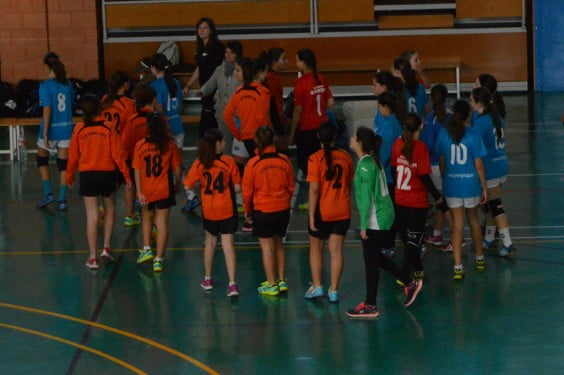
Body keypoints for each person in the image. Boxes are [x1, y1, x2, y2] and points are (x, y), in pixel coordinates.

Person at [346, 127, 422, 318]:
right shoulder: (373, 162)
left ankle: (370, 305)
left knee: (370, 263)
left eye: (354, 137)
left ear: (360, 143)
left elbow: (365, 201)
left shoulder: (364, 166)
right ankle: (409, 282)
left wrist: (363, 226)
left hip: (375, 220)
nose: (351, 138)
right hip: (385, 216)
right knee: (376, 258)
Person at [66, 95, 131, 270]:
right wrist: (127, 176)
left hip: (88, 175)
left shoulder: (79, 128)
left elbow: (72, 156)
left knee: (92, 215)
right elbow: (118, 155)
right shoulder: (108, 128)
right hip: (107, 173)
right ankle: (106, 247)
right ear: (99, 110)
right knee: (110, 209)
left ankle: (93, 257)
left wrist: (69, 176)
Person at [434, 100, 488, 280]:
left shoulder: (443, 134)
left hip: (452, 186)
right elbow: (479, 165)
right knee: (473, 220)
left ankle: (458, 267)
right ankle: (479, 258)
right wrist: (484, 187)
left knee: (457, 225)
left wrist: (445, 178)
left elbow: (441, 161)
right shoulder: (474, 135)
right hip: (471, 185)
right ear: (468, 115)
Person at [184, 129, 241, 297]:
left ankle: (207, 279)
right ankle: (232, 284)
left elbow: (188, 184)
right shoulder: (229, 161)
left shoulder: (200, 163)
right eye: (223, 140)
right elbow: (238, 187)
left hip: (209, 210)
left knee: (209, 243)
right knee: (228, 245)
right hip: (227, 208)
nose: (224, 143)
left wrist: (198, 190)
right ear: (218, 143)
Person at [391, 113, 446, 281]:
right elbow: (424, 177)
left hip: (400, 200)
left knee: (408, 238)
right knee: (414, 240)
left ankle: (418, 268)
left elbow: (394, 170)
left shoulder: (397, 144)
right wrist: (437, 196)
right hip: (416, 202)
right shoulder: (421, 148)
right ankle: (405, 274)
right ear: (420, 126)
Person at [242, 126, 295, 296]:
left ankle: (271, 284)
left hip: (263, 210)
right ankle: (281, 280)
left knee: (266, 247)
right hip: (282, 209)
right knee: (279, 243)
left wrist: (247, 211)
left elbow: (247, 191)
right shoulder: (285, 160)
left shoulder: (253, 163)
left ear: (257, 142)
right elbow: (291, 186)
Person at [304, 122, 353, 302]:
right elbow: (348, 182)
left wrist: (311, 216)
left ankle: (317, 286)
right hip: (342, 209)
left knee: (316, 248)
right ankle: (334, 290)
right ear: (335, 137)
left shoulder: (315, 159)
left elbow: (314, 189)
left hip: (322, 210)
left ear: (318, 137)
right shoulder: (346, 157)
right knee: (336, 250)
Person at [133, 112, 182, 273]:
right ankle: (158, 259)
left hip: (147, 190)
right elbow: (177, 169)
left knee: (146, 217)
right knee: (162, 223)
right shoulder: (169, 145)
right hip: (164, 189)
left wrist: (139, 192)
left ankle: (147, 248)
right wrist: (177, 183)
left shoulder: (140, 145)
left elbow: (137, 171)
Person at [470, 87, 515, 257]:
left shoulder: (481, 123)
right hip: (501, 164)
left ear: (478, 103)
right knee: (489, 205)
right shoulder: (496, 117)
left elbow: (475, 148)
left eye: (471, 99)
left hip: (490, 169)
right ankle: (489, 239)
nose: (470, 102)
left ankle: (508, 243)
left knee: (495, 206)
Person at [36, 52, 74, 211]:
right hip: (66, 128)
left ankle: (48, 194)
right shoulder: (68, 84)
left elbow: (47, 110)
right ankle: (62, 199)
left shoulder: (45, 86)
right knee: (63, 165)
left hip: (50, 129)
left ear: (47, 66)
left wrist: (45, 133)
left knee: (41, 160)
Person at [420, 84, 455, 250]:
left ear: (431, 98)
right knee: (443, 199)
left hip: (435, 165)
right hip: (451, 163)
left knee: (442, 202)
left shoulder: (431, 118)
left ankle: (458, 236)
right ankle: (437, 234)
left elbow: (428, 144)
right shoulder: (451, 115)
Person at [289, 48, 334, 177]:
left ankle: (314, 190)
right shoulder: (320, 78)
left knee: (307, 164)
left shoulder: (300, 83)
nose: (296, 64)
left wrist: (292, 133)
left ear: (303, 62)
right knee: (324, 161)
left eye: (297, 61)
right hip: (323, 128)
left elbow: (298, 110)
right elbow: (331, 102)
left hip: (307, 130)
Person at [196, 40, 244, 157]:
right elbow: (210, 84)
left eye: (232, 53)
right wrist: (202, 91)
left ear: (238, 54)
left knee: (241, 150)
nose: (228, 55)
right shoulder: (219, 70)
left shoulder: (243, 70)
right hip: (223, 115)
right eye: (226, 52)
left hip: (239, 116)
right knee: (226, 147)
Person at [120, 84, 157, 227]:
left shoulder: (133, 120)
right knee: (151, 190)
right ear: (153, 100)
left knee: (130, 185)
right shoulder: (156, 119)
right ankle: (152, 224)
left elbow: (125, 142)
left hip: (133, 159)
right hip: (152, 160)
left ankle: (129, 216)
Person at [183, 17, 225, 138]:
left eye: (205, 28)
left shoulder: (218, 47)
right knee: (207, 120)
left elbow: (223, 69)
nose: (201, 31)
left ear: (211, 30)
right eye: (199, 28)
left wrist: (219, 90)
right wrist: (188, 86)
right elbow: (199, 69)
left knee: (210, 122)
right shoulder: (201, 48)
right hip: (205, 90)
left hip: (215, 90)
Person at [224, 57, 271, 162]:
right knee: (261, 167)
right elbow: (262, 117)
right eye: (265, 72)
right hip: (260, 138)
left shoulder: (240, 90)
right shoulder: (263, 91)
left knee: (247, 165)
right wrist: (265, 137)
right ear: (259, 73)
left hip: (245, 137)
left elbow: (227, 114)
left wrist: (237, 133)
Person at [374, 92, 404, 254]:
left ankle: (387, 244)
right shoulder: (395, 123)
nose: (378, 110)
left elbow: (384, 154)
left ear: (385, 107)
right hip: (396, 174)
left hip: (389, 176)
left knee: (389, 211)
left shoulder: (388, 127)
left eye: (379, 107)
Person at [264, 48, 289, 151]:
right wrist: (276, 127)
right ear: (274, 61)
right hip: (275, 122)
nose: (286, 61)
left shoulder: (273, 76)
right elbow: (271, 104)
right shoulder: (272, 77)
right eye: (284, 58)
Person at [100, 70, 135, 134]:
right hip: (120, 141)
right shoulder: (129, 102)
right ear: (125, 84)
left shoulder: (104, 99)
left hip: (106, 139)